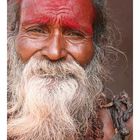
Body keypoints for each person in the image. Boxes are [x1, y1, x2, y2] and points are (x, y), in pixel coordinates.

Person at [7, 0, 133, 140]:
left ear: (98, 45)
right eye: (37, 30)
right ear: (12, 36)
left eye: (74, 34)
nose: (54, 53)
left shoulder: (127, 128)